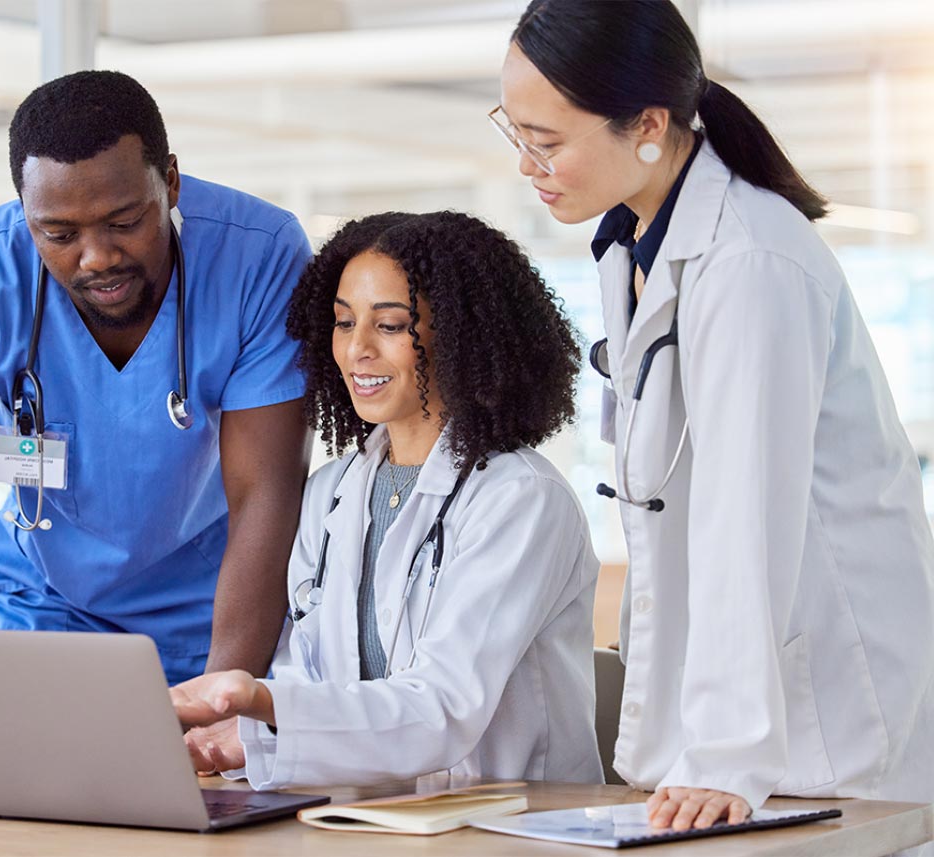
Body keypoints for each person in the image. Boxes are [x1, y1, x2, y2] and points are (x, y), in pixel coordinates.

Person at [494, 0, 934, 834]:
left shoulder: (751, 258)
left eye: (545, 142)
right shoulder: (635, 241)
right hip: (739, 717)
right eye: (513, 132)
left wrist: (727, 749)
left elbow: (745, 509)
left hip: (826, 707)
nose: (526, 164)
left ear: (649, 124)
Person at [0, 70, 312, 784]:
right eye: (59, 233)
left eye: (124, 221)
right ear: (23, 212)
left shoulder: (257, 256)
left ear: (169, 181)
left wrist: (215, 703)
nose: (97, 256)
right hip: (44, 622)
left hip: (217, 625)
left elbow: (267, 492)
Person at [170, 211, 603, 788]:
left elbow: (442, 710)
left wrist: (260, 701)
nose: (357, 350)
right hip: (371, 822)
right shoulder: (330, 493)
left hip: (513, 825)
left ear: (461, 334)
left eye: (391, 326)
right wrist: (246, 738)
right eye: (344, 322)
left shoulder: (521, 499)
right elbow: (310, 684)